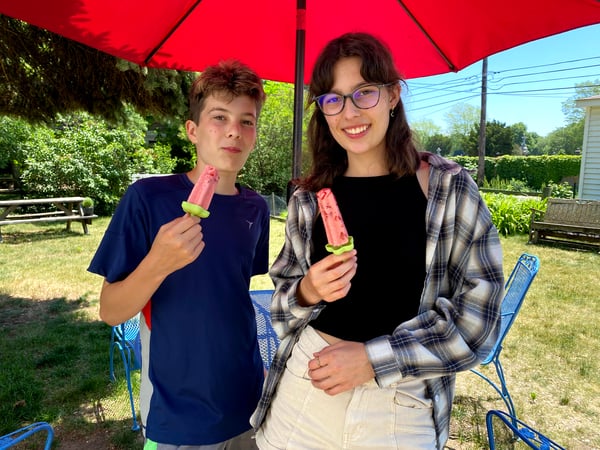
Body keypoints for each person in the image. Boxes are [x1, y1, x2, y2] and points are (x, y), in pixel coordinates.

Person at [250, 32, 505, 450]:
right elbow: (279, 312)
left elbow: (477, 324)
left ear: (392, 96)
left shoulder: (447, 188)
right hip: (306, 389)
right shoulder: (308, 198)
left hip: (399, 402)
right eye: (333, 99)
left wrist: (373, 360)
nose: (349, 112)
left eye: (364, 92)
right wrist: (308, 290)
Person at [88, 60, 270, 449]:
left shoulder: (256, 207)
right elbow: (111, 311)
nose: (234, 131)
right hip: (178, 410)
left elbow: (233, 295)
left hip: (249, 396)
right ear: (192, 130)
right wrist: (158, 262)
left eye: (247, 121)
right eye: (219, 117)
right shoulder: (147, 198)